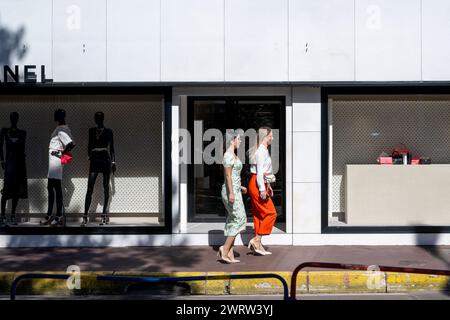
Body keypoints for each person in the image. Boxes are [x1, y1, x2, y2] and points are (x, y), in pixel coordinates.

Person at [40, 109, 75, 227]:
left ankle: (57, 215)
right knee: (52, 187)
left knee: (55, 188)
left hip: (55, 161)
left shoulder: (61, 129)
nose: (55, 115)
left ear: (60, 116)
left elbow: (71, 144)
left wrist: (60, 154)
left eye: (57, 114)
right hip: (53, 161)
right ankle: (51, 215)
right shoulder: (62, 128)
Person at [217, 131, 247, 264]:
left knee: (233, 219)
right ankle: (224, 248)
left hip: (235, 190)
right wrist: (231, 193)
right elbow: (228, 176)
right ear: (232, 140)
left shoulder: (233, 155)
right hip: (230, 191)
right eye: (238, 139)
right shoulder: (228, 156)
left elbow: (234, 176)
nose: (240, 141)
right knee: (239, 218)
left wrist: (240, 187)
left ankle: (229, 253)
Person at [82, 112, 116, 226]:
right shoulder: (91, 131)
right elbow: (89, 145)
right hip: (95, 159)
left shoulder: (109, 131)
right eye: (95, 117)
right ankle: (85, 215)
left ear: (103, 118)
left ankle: (104, 214)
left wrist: (113, 162)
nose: (97, 119)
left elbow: (112, 148)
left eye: (99, 117)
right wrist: (89, 156)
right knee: (90, 187)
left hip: (105, 159)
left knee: (106, 186)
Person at [247, 127, 277, 255]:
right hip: (257, 183)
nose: (272, 138)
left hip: (259, 183)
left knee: (259, 215)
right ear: (265, 137)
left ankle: (258, 246)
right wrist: (262, 190)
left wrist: (267, 186)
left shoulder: (263, 150)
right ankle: (257, 239)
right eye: (271, 136)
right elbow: (259, 173)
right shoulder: (261, 152)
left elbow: (263, 172)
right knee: (271, 213)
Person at [0, 112, 27, 227]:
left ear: (18, 119)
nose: (14, 119)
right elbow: (0, 146)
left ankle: (12, 215)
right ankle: (2, 216)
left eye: (16, 117)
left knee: (16, 190)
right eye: (12, 117)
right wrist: (2, 161)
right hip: (9, 163)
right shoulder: (5, 131)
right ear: (10, 118)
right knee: (6, 190)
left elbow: (22, 150)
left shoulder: (22, 133)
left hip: (19, 164)